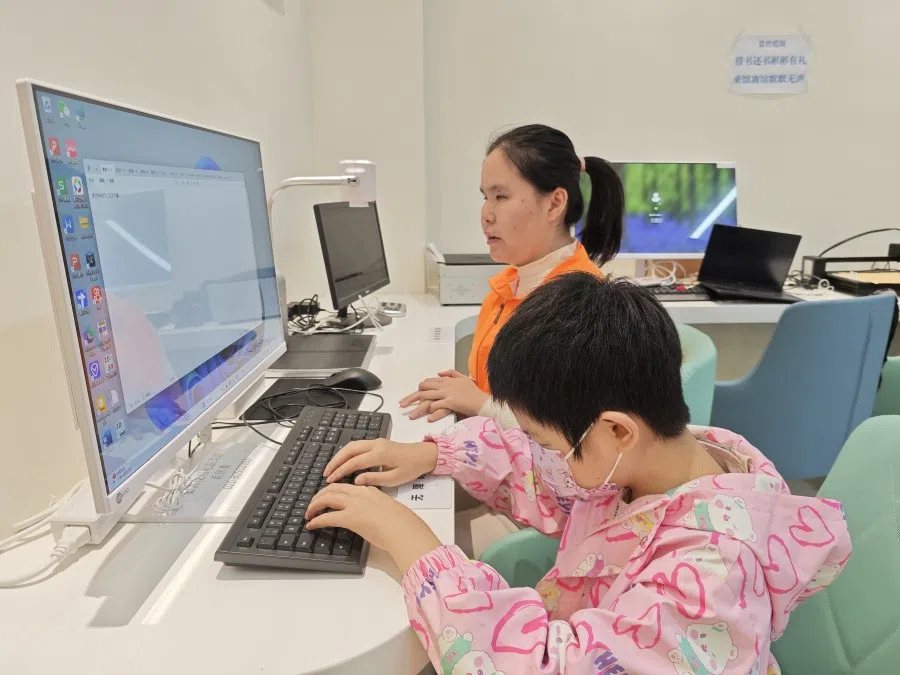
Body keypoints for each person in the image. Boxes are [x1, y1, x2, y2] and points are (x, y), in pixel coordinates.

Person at [305, 272, 851, 674]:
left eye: (546, 440)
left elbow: (548, 666)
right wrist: (438, 455)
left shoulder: (710, 580)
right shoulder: (667, 459)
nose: (540, 454)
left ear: (616, 431)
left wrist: (416, 546)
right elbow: (549, 476)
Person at [400, 124, 624, 429]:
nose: (486, 214)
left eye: (501, 197)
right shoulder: (509, 285)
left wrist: (480, 405)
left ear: (555, 203)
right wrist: (462, 395)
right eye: (485, 197)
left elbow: (569, 438)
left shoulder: (579, 306)